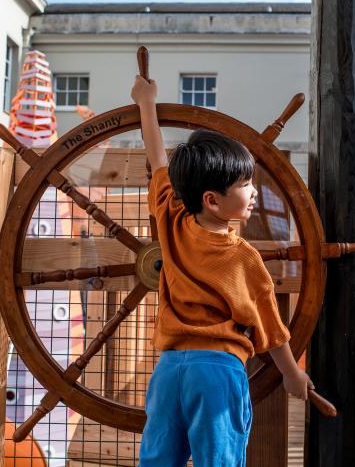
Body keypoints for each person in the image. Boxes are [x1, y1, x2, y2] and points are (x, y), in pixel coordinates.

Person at [131, 75, 313, 467]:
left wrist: (146, 103)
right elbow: (271, 329)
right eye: (247, 185)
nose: (255, 192)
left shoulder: (171, 220)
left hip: (168, 373)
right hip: (216, 372)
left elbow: (158, 160)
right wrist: (292, 376)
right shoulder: (244, 258)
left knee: (158, 461)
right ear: (212, 200)